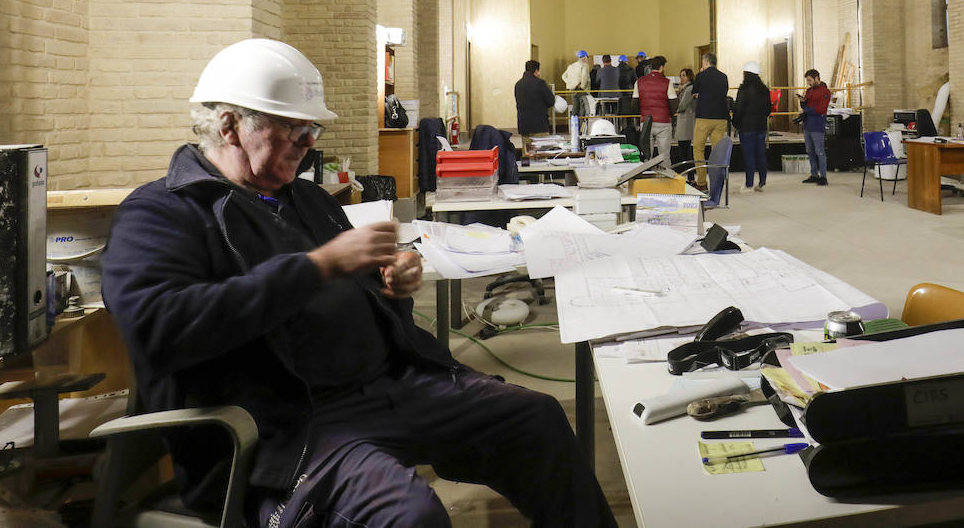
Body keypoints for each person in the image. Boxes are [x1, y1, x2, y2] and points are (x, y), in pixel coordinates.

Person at [101, 39, 614, 528]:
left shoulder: (307, 200)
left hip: (390, 385)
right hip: (289, 425)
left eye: (313, 131)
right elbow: (156, 328)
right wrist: (318, 266)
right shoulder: (162, 213)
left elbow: (360, 291)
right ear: (230, 125)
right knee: (406, 517)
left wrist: (390, 285)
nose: (308, 145)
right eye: (293, 129)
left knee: (535, 421)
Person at [689, 52, 729, 190]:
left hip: (704, 117)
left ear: (705, 62)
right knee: (717, 152)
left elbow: (694, 91)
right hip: (721, 118)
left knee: (698, 149)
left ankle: (702, 182)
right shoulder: (724, 77)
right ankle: (717, 184)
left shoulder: (701, 75)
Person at [732, 61, 773, 192]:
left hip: (746, 127)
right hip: (761, 126)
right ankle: (762, 183)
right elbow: (768, 110)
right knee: (761, 154)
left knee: (749, 156)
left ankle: (749, 184)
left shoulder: (744, 89)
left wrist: (735, 123)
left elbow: (738, 108)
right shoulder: (764, 90)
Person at [634, 54, 676, 166]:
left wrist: (643, 113)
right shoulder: (667, 82)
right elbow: (673, 104)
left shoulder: (639, 82)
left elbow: (634, 104)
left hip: (646, 122)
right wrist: (670, 115)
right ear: (662, 67)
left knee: (647, 156)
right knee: (664, 156)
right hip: (663, 122)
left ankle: (649, 179)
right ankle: (666, 181)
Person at [515, 59, 556, 153]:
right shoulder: (540, 83)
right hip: (539, 124)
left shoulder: (518, 84)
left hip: (524, 124)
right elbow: (551, 101)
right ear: (536, 71)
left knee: (527, 153)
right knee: (542, 152)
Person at [801, 68, 831, 185]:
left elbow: (821, 109)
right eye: (807, 80)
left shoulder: (825, 92)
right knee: (810, 151)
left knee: (820, 151)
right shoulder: (809, 91)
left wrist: (807, 109)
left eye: (810, 80)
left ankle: (823, 177)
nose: (808, 83)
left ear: (817, 78)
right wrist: (802, 102)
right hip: (808, 125)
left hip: (817, 125)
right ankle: (814, 174)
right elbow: (805, 105)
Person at [673, 67, 696, 178]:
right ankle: (689, 176)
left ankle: (691, 177)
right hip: (683, 121)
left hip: (687, 122)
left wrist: (673, 108)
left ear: (689, 77)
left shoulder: (689, 88)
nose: (681, 78)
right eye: (680, 75)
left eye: (684, 75)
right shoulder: (683, 88)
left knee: (686, 152)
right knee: (683, 151)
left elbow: (682, 106)